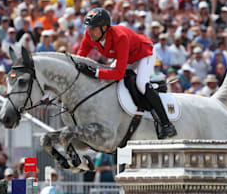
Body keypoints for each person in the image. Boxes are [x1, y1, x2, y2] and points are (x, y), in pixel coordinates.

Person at [75, 8, 176, 139]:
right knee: (108, 80)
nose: (89, 32)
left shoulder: (120, 37)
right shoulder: (89, 35)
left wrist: (95, 72)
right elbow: (78, 58)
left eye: (93, 28)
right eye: (88, 28)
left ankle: (166, 124)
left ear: (104, 27)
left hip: (144, 53)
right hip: (127, 57)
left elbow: (118, 73)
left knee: (140, 83)